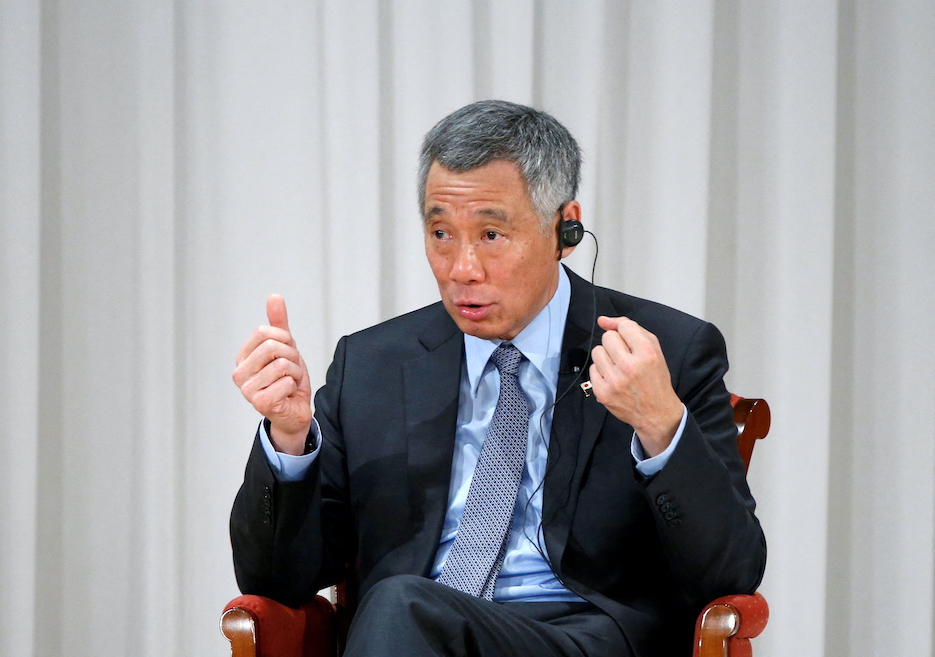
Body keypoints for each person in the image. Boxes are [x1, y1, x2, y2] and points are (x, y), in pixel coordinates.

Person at [230, 100, 766, 657]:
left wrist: (659, 423)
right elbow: (274, 583)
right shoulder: (373, 365)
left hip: (585, 638)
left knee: (398, 606)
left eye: (490, 235)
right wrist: (288, 440)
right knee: (402, 609)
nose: (462, 268)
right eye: (441, 233)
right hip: (412, 636)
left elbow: (732, 573)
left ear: (565, 227)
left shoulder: (666, 353)